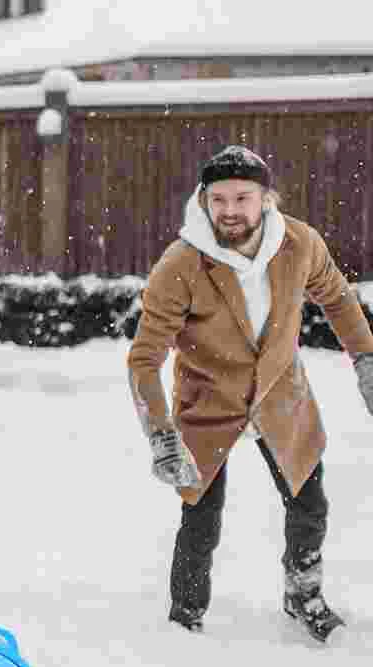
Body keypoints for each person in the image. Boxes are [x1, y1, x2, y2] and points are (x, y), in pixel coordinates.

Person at [127, 144, 373, 639]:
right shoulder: (180, 264)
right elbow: (144, 358)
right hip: (209, 399)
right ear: (203, 200)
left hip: (283, 396)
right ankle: (186, 615)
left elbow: (339, 300)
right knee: (202, 515)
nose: (231, 210)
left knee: (309, 502)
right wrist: (161, 434)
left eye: (242, 197)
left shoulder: (299, 244)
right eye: (219, 199)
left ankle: (304, 596)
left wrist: (366, 359)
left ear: (266, 198)